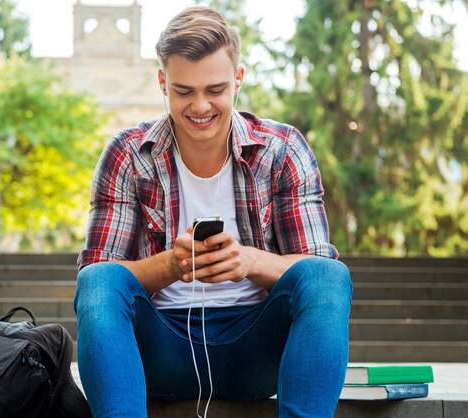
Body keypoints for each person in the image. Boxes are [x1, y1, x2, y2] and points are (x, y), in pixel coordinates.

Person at [74, 5, 352, 418]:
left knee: (330, 276)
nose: (200, 106)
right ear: (162, 82)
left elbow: (315, 268)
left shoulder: (282, 150)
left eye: (215, 90)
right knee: (98, 280)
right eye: (183, 91)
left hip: (255, 349)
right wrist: (172, 264)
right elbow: (98, 276)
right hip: (161, 348)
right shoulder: (127, 155)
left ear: (238, 80)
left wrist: (249, 261)